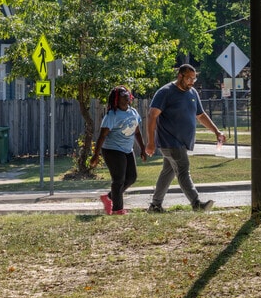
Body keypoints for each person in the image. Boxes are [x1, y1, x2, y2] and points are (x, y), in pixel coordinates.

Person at [145, 64, 226, 213]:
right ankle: (197, 204)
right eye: (189, 78)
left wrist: (216, 131)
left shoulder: (192, 93)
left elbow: (200, 115)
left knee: (168, 172)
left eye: (194, 79)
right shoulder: (165, 92)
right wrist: (150, 142)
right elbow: (151, 115)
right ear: (180, 76)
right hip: (169, 141)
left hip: (182, 143)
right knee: (183, 169)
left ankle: (155, 205)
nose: (192, 82)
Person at [90, 85, 146, 215]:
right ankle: (117, 209)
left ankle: (109, 197)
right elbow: (102, 135)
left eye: (126, 92)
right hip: (112, 150)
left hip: (127, 149)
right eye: (122, 93)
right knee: (119, 179)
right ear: (116, 98)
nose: (126, 94)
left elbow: (137, 132)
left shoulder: (133, 112)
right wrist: (96, 155)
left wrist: (142, 149)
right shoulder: (112, 115)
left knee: (131, 177)